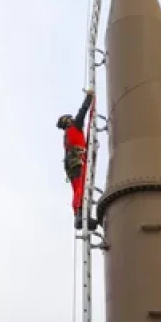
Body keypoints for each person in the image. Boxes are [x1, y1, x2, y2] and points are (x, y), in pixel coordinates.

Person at [58, 88, 97, 230]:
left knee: (79, 189)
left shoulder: (68, 135)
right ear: (68, 121)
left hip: (72, 163)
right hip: (77, 161)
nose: (73, 119)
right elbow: (83, 111)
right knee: (80, 187)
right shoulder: (74, 127)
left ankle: (81, 215)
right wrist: (89, 97)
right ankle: (80, 215)